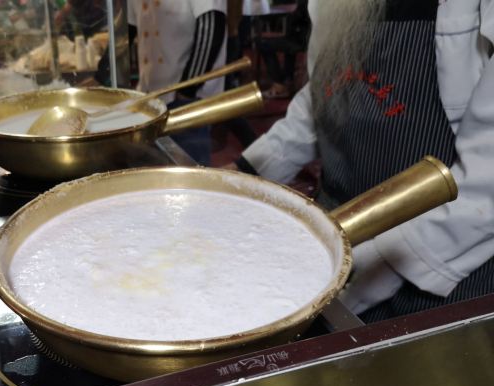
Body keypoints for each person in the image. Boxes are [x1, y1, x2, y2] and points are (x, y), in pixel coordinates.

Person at [224, 0, 494, 322]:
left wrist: (377, 258)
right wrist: (241, 174)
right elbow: (325, 95)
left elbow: (486, 177)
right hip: (332, 239)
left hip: (435, 266)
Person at [125, 0, 227, 166]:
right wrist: (105, 71)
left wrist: (188, 89)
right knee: (156, 165)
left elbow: (212, 26)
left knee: (189, 164)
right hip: (149, 93)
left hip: (185, 96)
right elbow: (127, 29)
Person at [256, 0, 309, 98]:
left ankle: (279, 85)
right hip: (302, 35)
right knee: (288, 43)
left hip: (301, 38)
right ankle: (288, 80)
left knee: (264, 45)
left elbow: (298, 14)